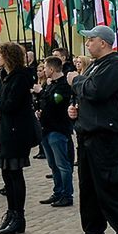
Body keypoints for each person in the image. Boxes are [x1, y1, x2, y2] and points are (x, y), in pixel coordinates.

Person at [66, 26, 118, 234]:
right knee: (89, 189)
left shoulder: (115, 64)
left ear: (103, 42)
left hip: (107, 138)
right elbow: (89, 97)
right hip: (87, 135)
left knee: (110, 188)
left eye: (91, 39)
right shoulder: (94, 65)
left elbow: (96, 91)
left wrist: (76, 80)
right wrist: (76, 110)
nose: (87, 44)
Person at [0, 42, 37, 234]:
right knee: (6, 175)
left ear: (8, 57)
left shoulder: (21, 78)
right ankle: (10, 212)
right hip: (3, 132)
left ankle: (19, 216)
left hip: (16, 133)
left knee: (15, 175)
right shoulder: (4, 77)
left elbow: (9, 105)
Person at [37, 56, 74, 208]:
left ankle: (67, 194)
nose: (44, 71)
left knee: (62, 165)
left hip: (58, 129)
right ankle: (57, 191)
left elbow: (56, 101)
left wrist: (41, 93)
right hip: (46, 127)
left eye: (45, 68)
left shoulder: (63, 85)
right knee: (52, 164)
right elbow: (45, 104)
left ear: (52, 69)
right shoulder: (49, 84)